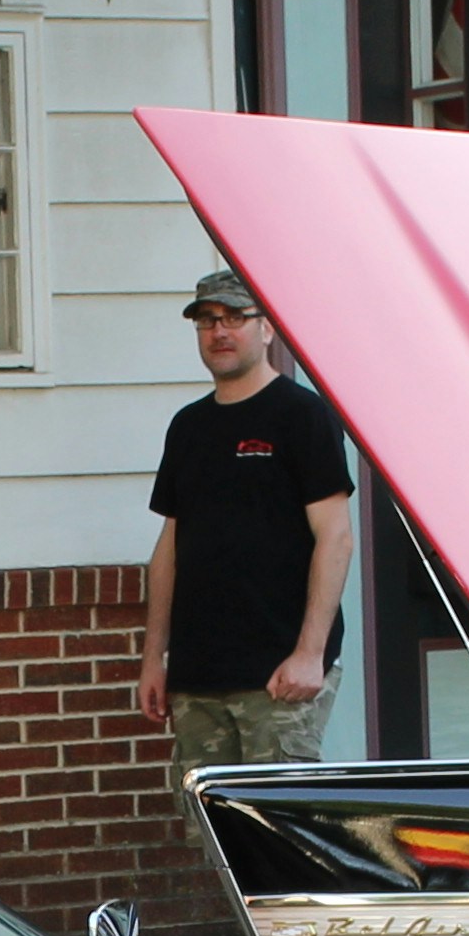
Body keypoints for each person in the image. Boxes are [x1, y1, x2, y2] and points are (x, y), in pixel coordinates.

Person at [143, 269, 357, 778]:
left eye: (235, 318)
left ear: (267, 328)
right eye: (207, 321)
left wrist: (310, 653)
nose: (220, 332)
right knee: (214, 837)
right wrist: (155, 658)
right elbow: (169, 548)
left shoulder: (302, 416)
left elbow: (337, 537)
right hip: (198, 677)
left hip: (278, 678)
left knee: (276, 837)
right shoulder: (188, 427)